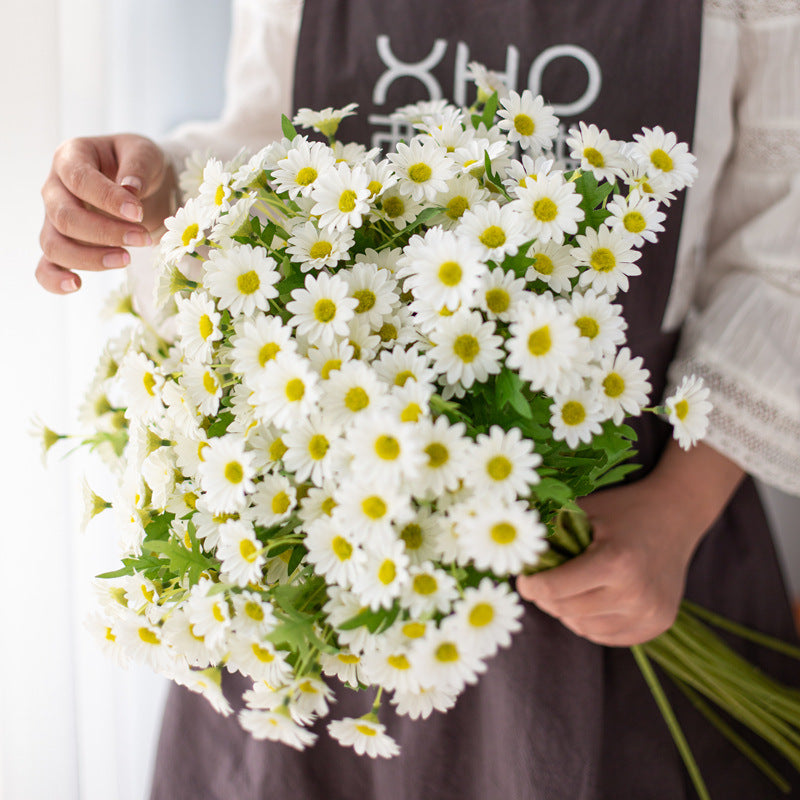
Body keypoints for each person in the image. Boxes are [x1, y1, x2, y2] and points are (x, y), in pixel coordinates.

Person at [36, 1, 800, 797]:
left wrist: (676, 511)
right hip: (326, 518)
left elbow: (780, 258)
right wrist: (159, 197)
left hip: (632, 527)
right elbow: (267, 151)